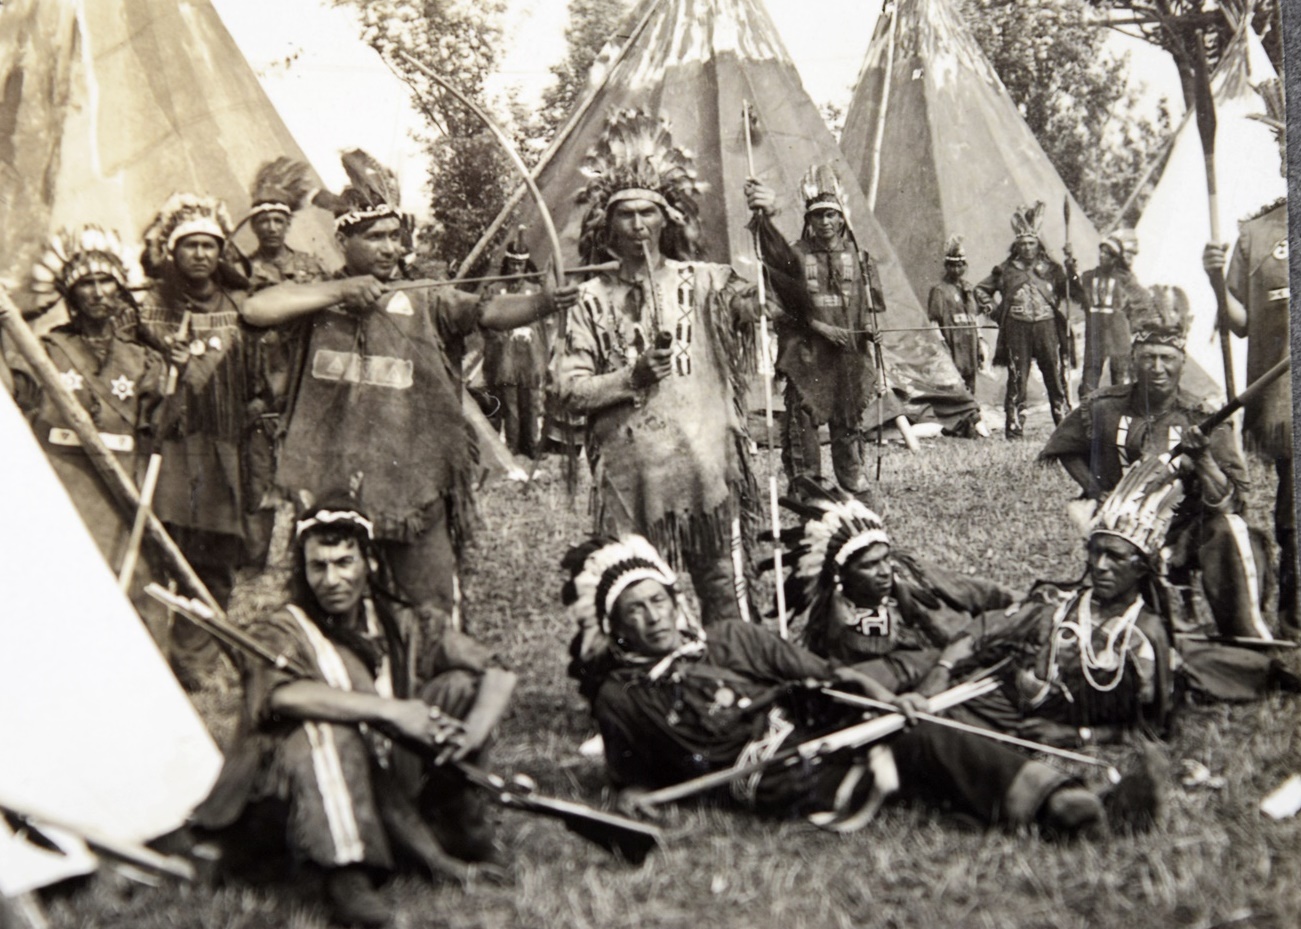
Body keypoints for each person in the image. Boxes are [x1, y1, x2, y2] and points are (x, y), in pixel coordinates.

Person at [564, 535, 1157, 836]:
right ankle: (1054, 809)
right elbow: (631, 779)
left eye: (659, 600)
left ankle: (1061, 801)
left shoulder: (730, 640)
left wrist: (887, 700)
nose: (655, 617)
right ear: (616, 628)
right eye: (636, 611)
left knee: (915, 731)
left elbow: (829, 678)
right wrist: (630, 800)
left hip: (815, 732)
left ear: (677, 600)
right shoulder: (622, 697)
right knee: (905, 759)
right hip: (767, 777)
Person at [243, 150, 577, 619]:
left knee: (428, 607)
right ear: (345, 242)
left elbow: (486, 312)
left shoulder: (427, 299)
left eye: (394, 238)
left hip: (411, 484)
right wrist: (340, 291)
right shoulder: (317, 295)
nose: (388, 248)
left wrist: (543, 302)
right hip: (333, 485)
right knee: (336, 609)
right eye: (374, 237)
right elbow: (256, 309)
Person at [193, 501, 515, 927]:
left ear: (369, 563)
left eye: (345, 562)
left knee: (459, 687)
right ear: (303, 573)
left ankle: (462, 831)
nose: (332, 579)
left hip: (385, 785)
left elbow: (497, 671)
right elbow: (282, 697)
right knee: (324, 725)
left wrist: (470, 735)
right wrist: (392, 710)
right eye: (318, 567)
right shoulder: (286, 628)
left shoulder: (402, 623)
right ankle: (348, 876)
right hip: (290, 797)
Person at [554, 110, 761, 628]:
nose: (639, 225)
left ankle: (735, 682)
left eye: (649, 213)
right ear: (608, 223)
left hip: (707, 470)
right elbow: (570, 391)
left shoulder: (708, 281)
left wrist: (770, 226)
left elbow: (772, 305)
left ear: (668, 218)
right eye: (626, 215)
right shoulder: (591, 298)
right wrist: (633, 378)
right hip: (634, 480)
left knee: (723, 592)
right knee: (645, 602)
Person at [1040, 285, 1272, 641]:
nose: (1158, 368)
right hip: (1120, 530)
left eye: (1168, 358)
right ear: (1134, 358)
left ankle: (1245, 633)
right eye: (1149, 357)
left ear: (1182, 361)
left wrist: (1204, 459)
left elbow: (1233, 498)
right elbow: (1063, 447)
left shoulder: (1202, 415)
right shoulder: (1104, 406)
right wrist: (1096, 489)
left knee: (1233, 531)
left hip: (1185, 529)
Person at [4, 226, 167, 630]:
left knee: (130, 574)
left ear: (121, 290)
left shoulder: (145, 359)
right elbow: (12, 394)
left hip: (123, 481)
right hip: (62, 479)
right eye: (86, 284)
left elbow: (160, 423)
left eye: (105, 281)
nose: (96, 293)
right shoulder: (44, 349)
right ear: (70, 294)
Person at [956, 457, 1180, 748]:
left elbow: (1153, 728)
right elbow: (991, 629)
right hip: (1028, 711)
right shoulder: (1062, 604)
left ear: (1140, 568)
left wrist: (1078, 736)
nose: (1099, 565)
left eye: (1115, 556)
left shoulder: (1145, 634)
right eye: (1094, 552)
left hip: (1069, 727)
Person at [775, 478, 1014, 693]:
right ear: (842, 575)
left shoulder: (911, 571)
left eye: (885, 558)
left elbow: (987, 594)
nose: (884, 571)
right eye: (869, 565)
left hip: (988, 642)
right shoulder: (838, 623)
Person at [1203, 77, 1294, 636]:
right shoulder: (1259, 232)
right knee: (1293, 508)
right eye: (1286, 147)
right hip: (1284, 398)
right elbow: (1239, 326)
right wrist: (1215, 281)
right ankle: (1293, 613)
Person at [135, 194, 255, 610]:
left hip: (221, 444)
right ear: (173, 249)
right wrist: (161, 360)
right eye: (191, 244)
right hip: (168, 447)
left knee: (214, 554)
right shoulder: (145, 306)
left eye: (209, 245)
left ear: (221, 251)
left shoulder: (241, 305)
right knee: (161, 547)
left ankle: (206, 644)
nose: (201, 253)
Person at [744, 166, 884, 494]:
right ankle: (808, 488)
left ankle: (853, 483)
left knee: (847, 422)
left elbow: (869, 308)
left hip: (847, 355)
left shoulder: (861, 259)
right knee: (802, 424)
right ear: (809, 220)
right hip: (807, 356)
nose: (825, 223)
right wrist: (819, 326)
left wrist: (868, 330)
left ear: (841, 219)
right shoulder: (794, 255)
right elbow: (777, 306)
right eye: (818, 216)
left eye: (831, 215)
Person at [242, 158, 329, 566]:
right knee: (258, 474)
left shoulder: (308, 267)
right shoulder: (240, 270)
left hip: (301, 381)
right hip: (257, 382)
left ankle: (305, 556)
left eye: (279, 220)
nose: (272, 228)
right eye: (264, 221)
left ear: (288, 223)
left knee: (304, 474)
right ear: (255, 226)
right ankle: (255, 559)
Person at [975, 202, 1073, 439]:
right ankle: (1014, 428)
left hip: (1046, 326)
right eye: (1023, 244)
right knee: (1018, 377)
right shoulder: (1006, 269)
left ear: (1038, 244)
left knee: (1054, 374)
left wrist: (1072, 266)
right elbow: (980, 290)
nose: (1027, 248)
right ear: (1016, 246)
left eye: (1031, 243)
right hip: (1017, 328)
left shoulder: (1051, 269)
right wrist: (998, 313)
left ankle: (1065, 425)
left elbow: (1071, 288)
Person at [481, 230, 548, 458]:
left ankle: (531, 445)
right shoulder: (494, 289)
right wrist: (502, 334)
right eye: (512, 265)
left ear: (525, 265)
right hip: (505, 356)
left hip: (528, 354)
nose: (516, 270)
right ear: (507, 264)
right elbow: (486, 323)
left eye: (520, 265)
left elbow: (543, 321)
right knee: (509, 402)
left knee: (531, 400)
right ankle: (511, 446)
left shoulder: (535, 290)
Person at [1074, 230, 1145, 397]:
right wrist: (1070, 269)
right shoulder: (1089, 277)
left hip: (1118, 337)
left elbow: (1139, 303)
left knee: (1120, 380)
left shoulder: (1125, 278)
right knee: (1089, 381)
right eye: (1101, 251)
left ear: (1115, 258)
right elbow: (1074, 289)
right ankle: (1087, 415)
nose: (1102, 255)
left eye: (1107, 253)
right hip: (1096, 335)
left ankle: (1120, 415)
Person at [927, 235, 983, 399]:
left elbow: (974, 317)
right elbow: (934, 320)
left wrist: (979, 342)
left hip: (969, 342)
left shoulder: (968, 288)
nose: (957, 270)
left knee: (970, 381)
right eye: (952, 266)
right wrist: (941, 342)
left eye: (960, 266)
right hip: (952, 342)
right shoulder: (939, 290)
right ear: (946, 266)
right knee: (955, 384)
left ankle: (970, 420)